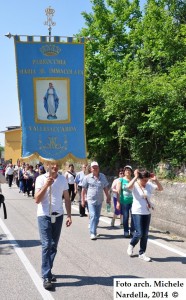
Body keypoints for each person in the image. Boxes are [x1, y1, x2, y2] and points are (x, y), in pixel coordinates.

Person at [34, 161, 72, 290]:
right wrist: (46, 185)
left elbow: (67, 198)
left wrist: (69, 215)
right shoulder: (40, 179)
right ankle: (46, 276)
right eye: (52, 165)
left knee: (54, 246)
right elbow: (37, 199)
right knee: (47, 244)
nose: (55, 167)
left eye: (57, 165)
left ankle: (48, 270)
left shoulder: (62, 179)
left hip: (59, 215)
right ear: (47, 166)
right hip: (44, 215)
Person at [126, 169, 163, 262]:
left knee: (145, 234)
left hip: (147, 212)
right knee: (139, 233)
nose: (145, 182)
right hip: (137, 211)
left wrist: (155, 180)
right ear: (140, 178)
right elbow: (127, 186)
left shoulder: (149, 185)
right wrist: (135, 176)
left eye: (147, 180)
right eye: (144, 180)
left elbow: (160, 189)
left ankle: (142, 253)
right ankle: (131, 245)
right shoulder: (135, 184)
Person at [81, 161, 111, 240]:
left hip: (99, 200)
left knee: (97, 217)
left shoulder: (102, 176)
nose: (95, 169)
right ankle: (92, 233)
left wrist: (108, 197)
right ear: (91, 169)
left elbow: (105, 187)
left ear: (98, 168)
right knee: (93, 215)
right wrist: (82, 200)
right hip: (90, 200)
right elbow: (83, 190)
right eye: (93, 167)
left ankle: (94, 228)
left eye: (96, 167)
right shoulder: (87, 178)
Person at [116, 165, 135, 238]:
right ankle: (126, 231)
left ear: (131, 172)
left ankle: (132, 231)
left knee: (134, 216)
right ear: (124, 171)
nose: (127, 171)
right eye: (126, 170)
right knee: (126, 217)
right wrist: (118, 202)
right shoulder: (120, 180)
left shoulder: (133, 180)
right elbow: (118, 192)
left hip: (133, 202)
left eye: (129, 170)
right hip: (124, 202)